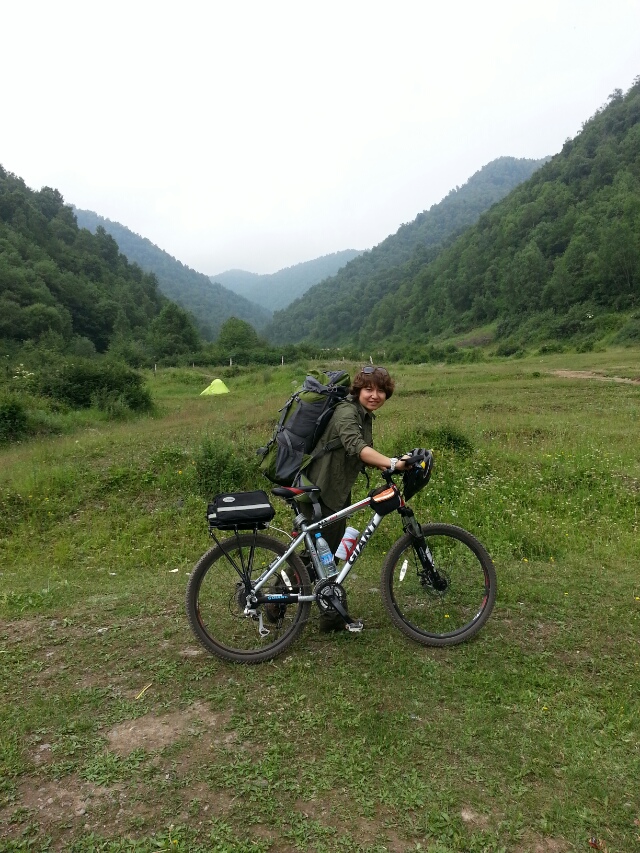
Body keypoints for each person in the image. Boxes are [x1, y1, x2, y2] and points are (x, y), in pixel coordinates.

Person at [302, 365, 409, 554]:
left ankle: (316, 574)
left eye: (381, 391)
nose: (375, 396)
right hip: (320, 490)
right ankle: (286, 574)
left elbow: (363, 451)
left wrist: (390, 463)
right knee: (319, 556)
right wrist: (393, 463)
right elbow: (357, 447)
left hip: (335, 490)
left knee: (328, 554)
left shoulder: (362, 413)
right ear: (358, 390)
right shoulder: (347, 412)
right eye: (369, 389)